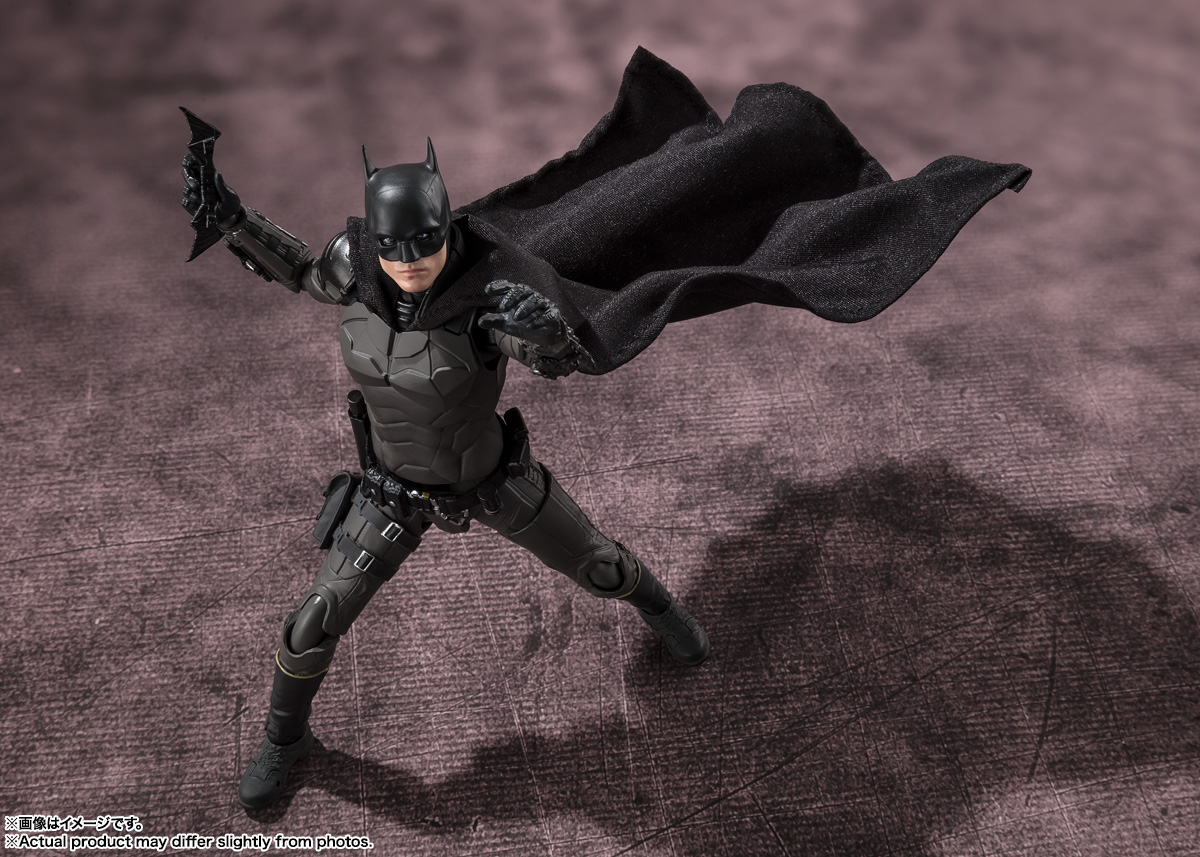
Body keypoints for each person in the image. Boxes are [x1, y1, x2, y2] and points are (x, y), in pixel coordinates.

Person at [179, 47, 1029, 811]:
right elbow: (298, 266)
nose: (411, 263)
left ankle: (665, 611)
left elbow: (543, 349)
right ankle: (285, 738)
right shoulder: (353, 269)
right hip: (390, 491)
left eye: (427, 244)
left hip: (491, 478)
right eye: (397, 248)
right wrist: (232, 220)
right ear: (376, 239)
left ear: (446, 230)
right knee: (313, 621)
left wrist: (545, 330)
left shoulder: (485, 294)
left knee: (599, 564)